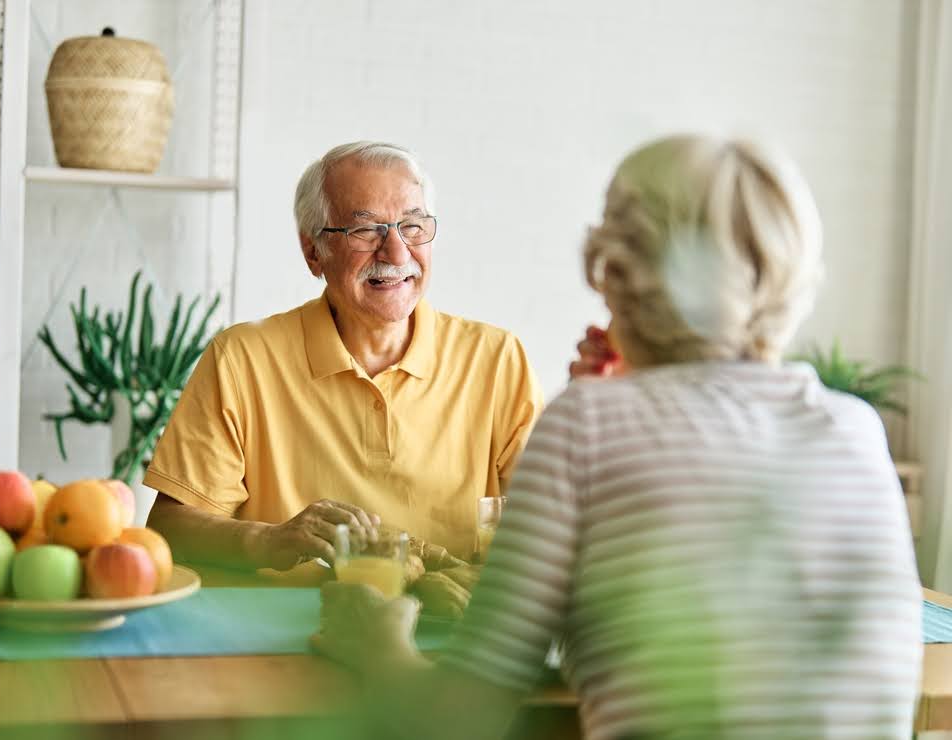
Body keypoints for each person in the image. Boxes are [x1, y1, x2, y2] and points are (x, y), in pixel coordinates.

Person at [314, 134, 922, 739]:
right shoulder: (855, 429)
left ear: (613, 269)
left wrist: (379, 645)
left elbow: (456, 720)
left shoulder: (587, 425)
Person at [144, 141, 543, 575]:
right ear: (314, 251)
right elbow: (170, 529)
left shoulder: (498, 360)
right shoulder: (241, 359)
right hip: (279, 632)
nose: (396, 254)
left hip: (447, 628)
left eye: (412, 226)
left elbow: (551, 527)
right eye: (366, 231)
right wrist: (270, 540)